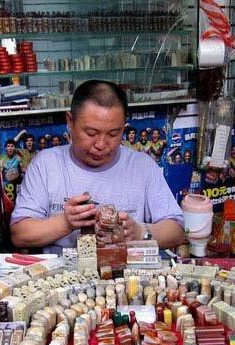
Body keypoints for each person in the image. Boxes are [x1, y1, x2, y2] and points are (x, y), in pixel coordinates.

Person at [11, 80, 185, 253]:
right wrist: (65, 222)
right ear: (70, 122)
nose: (101, 145)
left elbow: (176, 231)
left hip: (125, 275)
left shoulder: (142, 166)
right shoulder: (46, 165)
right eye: (91, 133)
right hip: (63, 276)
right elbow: (20, 235)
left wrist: (141, 232)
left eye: (113, 134)